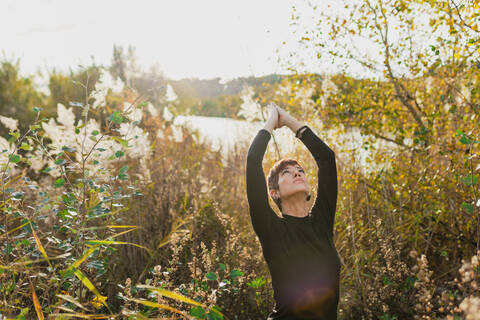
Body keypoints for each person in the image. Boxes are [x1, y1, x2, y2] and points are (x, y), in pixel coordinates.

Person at [245, 103, 341, 320]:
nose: (298, 174)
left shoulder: (322, 222)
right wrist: (272, 120)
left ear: (308, 189)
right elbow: (253, 161)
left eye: (301, 171)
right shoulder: (270, 229)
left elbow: (326, 159)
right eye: (287, 173)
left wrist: (289, 121)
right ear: (274, 193)